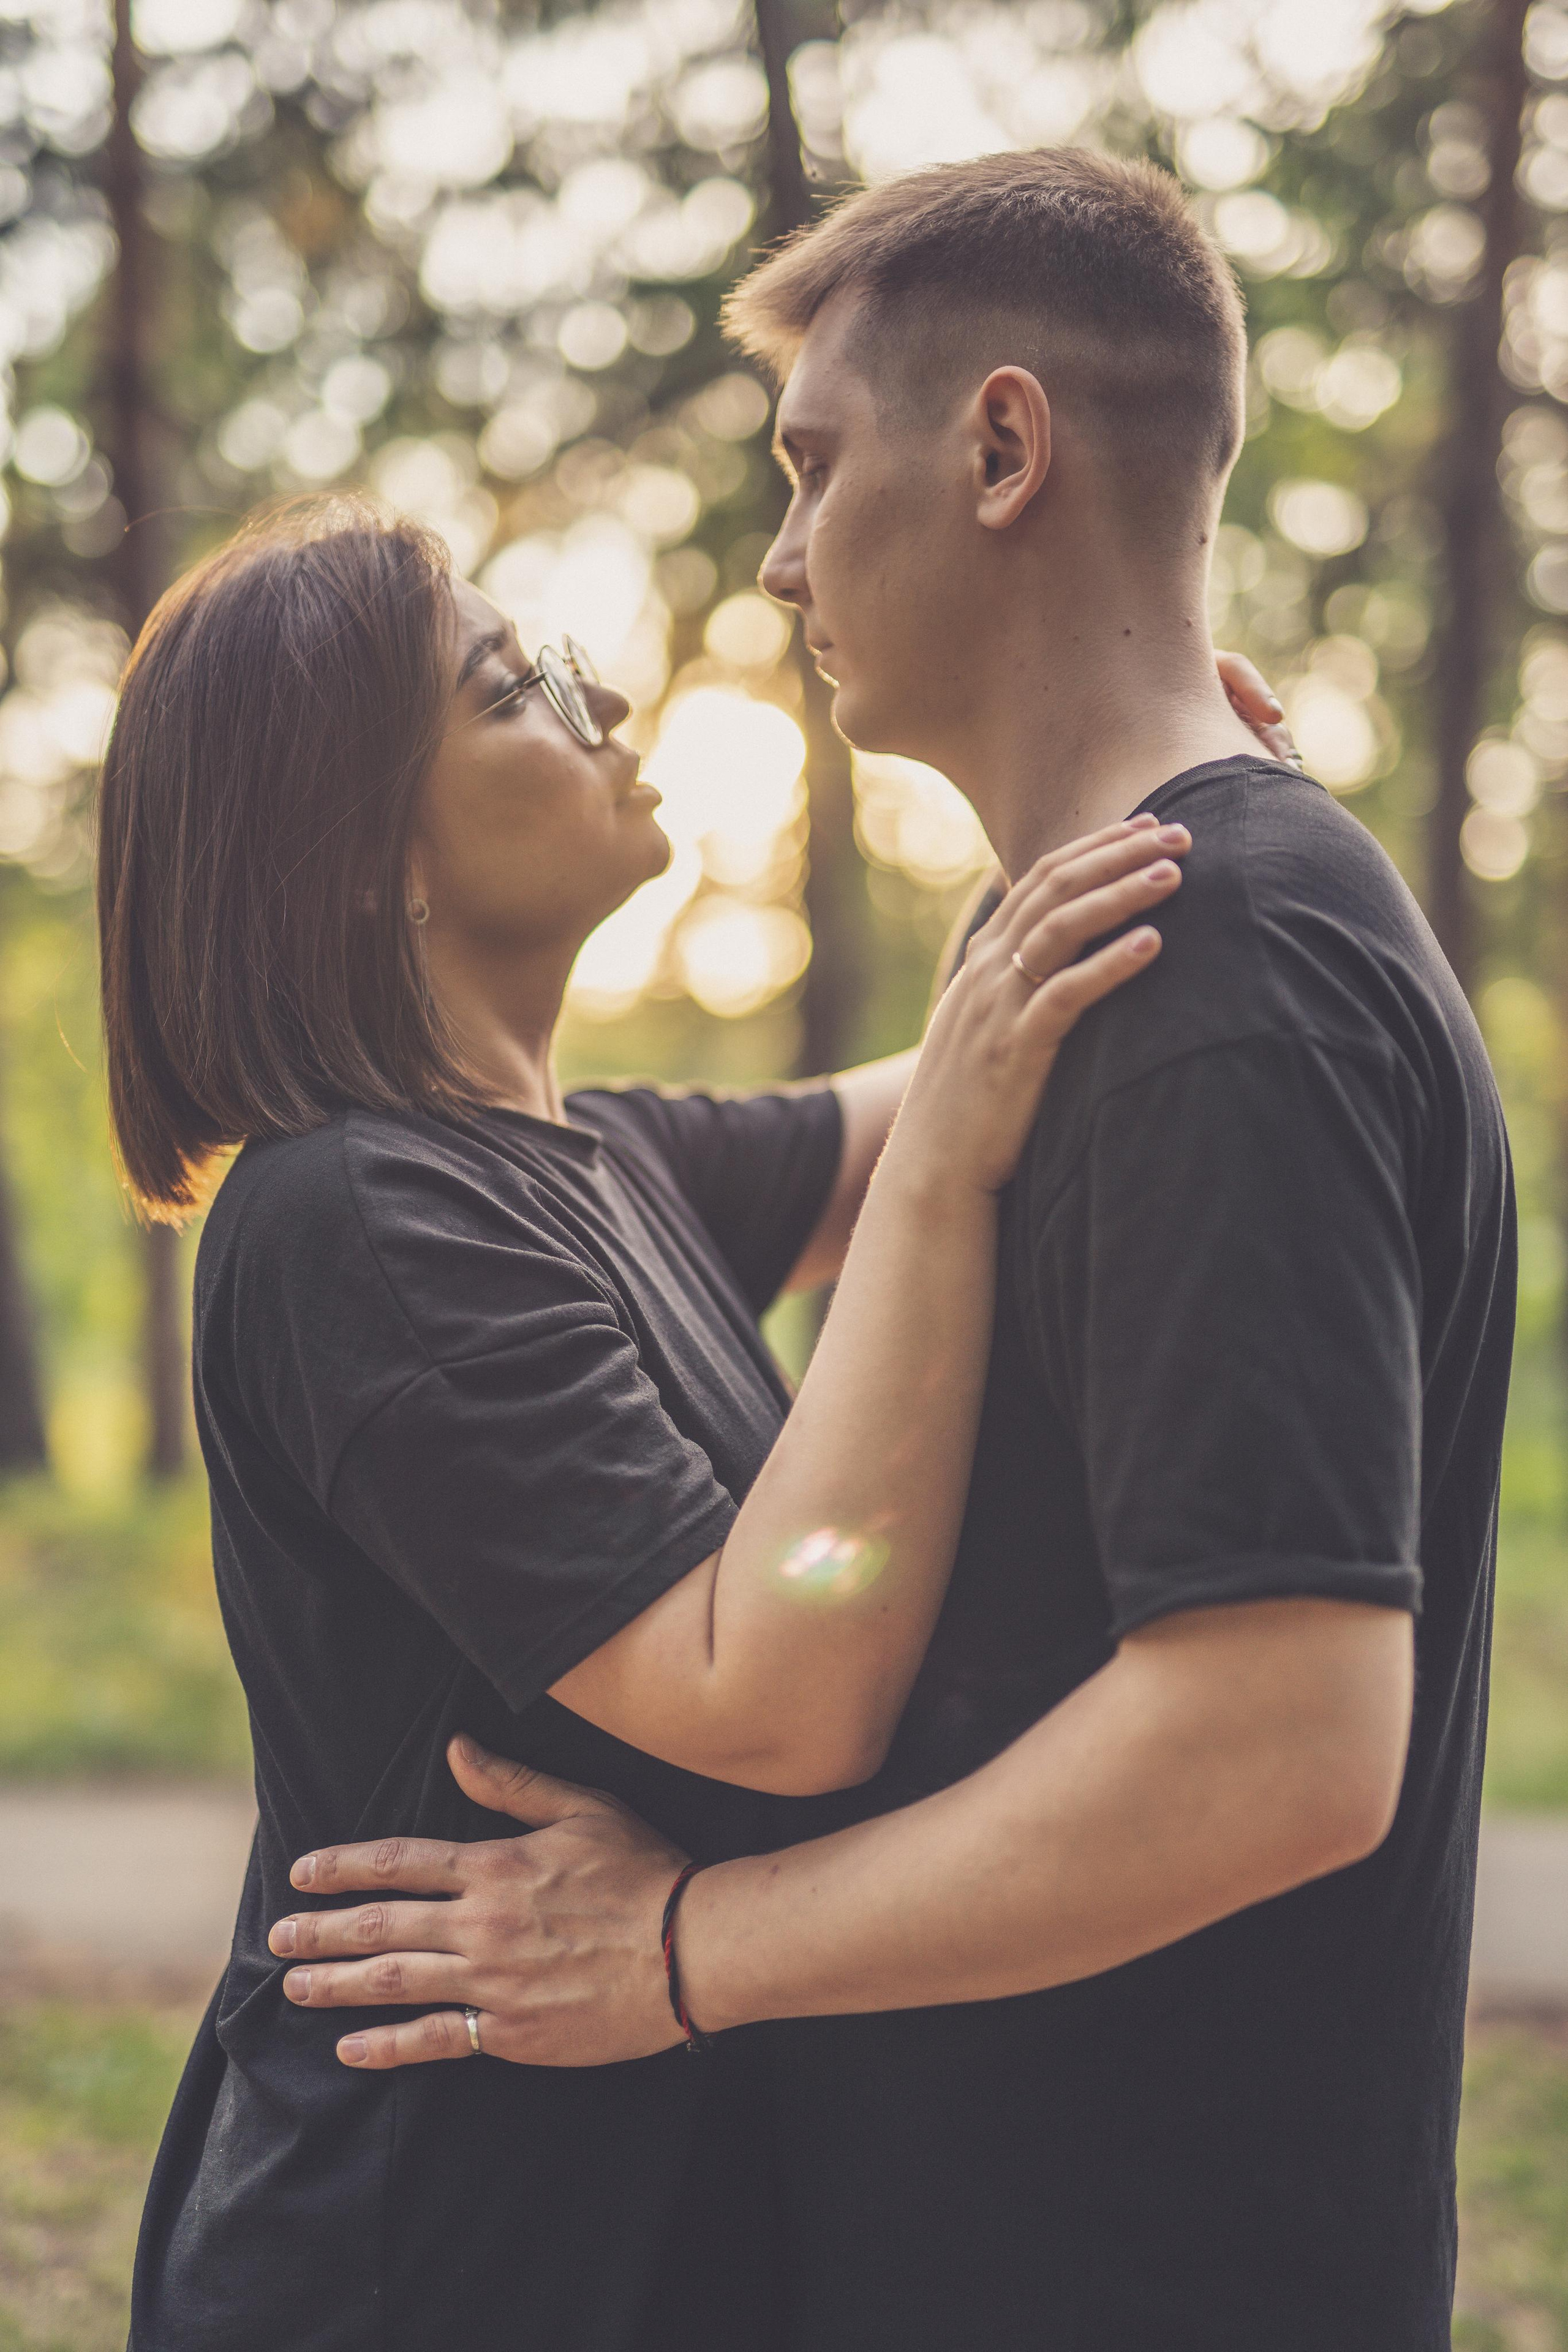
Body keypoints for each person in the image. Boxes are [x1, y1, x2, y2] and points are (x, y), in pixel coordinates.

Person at [276, 150, 1515, 2352]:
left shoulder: (1213, 965)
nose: (777, 554)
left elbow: (1283, 1741)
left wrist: (680, 1951)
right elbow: (903, 1139)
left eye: (815, 464)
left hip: (1135, 2272)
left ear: (1005, 448)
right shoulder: (1123, 945)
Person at [102, 486, 1274, 2349]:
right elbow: (779, 1697)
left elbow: (1000, 1032)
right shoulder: (357, 1222)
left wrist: (1156, 779)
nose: (607, 706)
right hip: (424, 2267)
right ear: (361, 860)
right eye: (516, 690)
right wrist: (947, 1172)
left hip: (629, 2236)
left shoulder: (595, 1160)